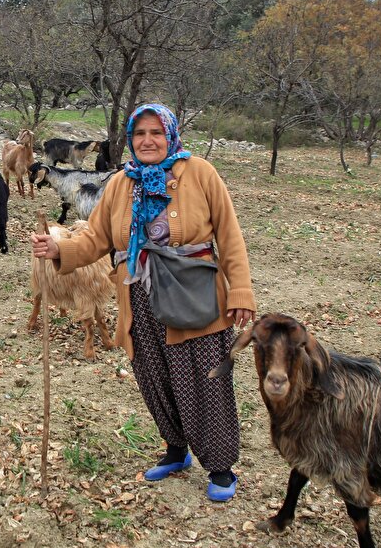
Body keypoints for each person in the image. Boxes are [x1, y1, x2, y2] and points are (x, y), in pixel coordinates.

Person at [31, 103, 255, 501]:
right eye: (140, 134)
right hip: (138, 295)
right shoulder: (121, 183)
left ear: (170, 135)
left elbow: (229, 234)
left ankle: (220, 466)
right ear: (131, 140)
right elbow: (96, 238)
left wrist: (240, 291)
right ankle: (175, 450)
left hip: (192, 292)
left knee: (203, 380)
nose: (147, 141)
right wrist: (59, 247)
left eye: (156, 133)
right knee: (154, 376)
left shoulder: (200, 173)